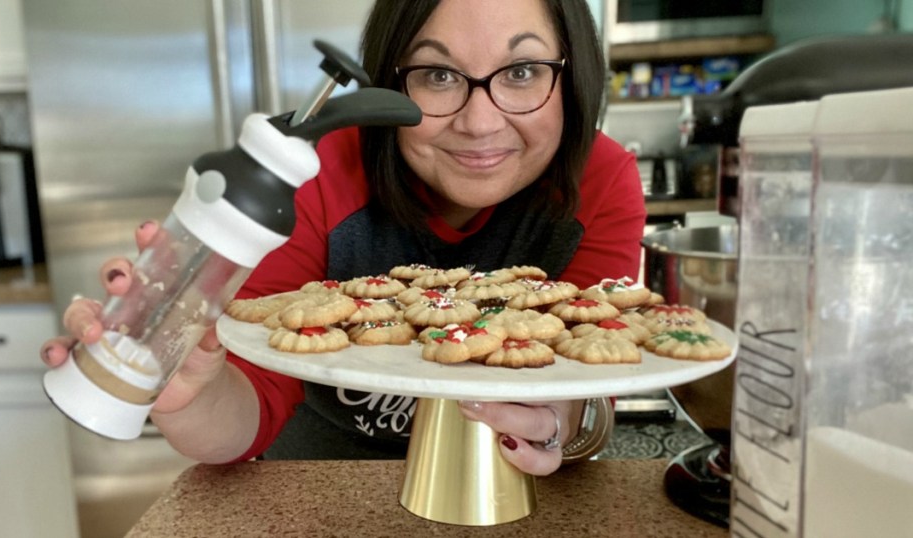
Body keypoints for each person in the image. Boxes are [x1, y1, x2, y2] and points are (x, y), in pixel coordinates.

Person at [40, 0, 644, 477]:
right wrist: (192, 394)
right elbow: (249, 412)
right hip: (313, 490)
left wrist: (556, 424)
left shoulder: (602, 180)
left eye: (521, 72)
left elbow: (592, 379)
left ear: (572, 76)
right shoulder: (319, 173)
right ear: (388, 82)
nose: (479, 122)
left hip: (514, 493)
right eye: (436, 75)